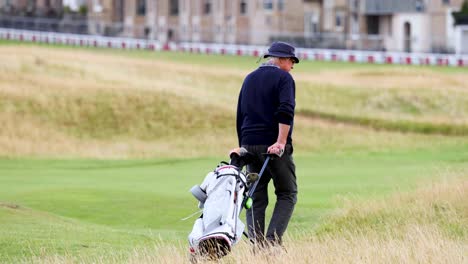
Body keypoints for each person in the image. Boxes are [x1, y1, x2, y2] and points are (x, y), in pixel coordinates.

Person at [236, 41, 298, 247]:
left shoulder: (249, 78)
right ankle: (271, 243)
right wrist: (280, 142)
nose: (292, 65)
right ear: (280, 59)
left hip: (250, 144)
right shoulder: (284, 78)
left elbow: (241, 114)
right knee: (287, 193)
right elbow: (285, 110)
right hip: (273, 145)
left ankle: (257, 247)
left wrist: (242, 146)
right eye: (291, 61)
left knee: (256, 197)